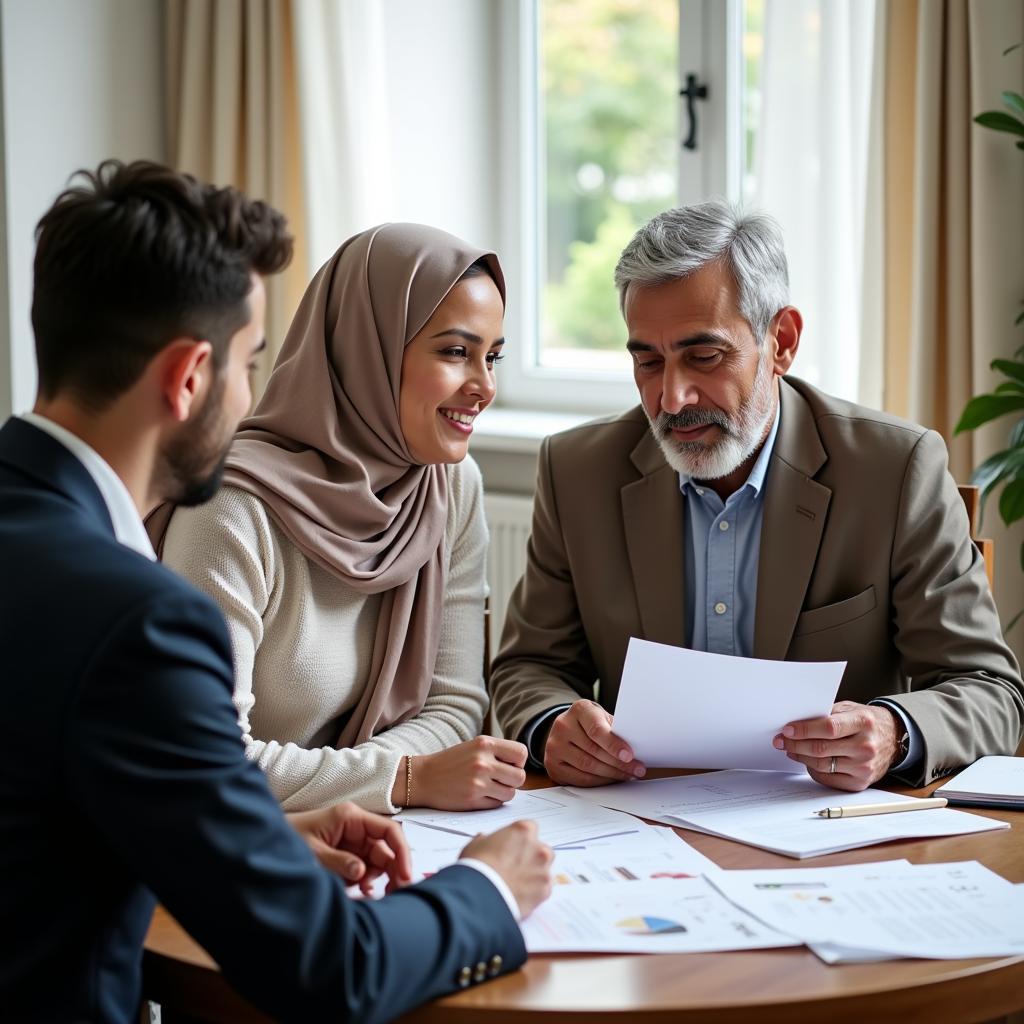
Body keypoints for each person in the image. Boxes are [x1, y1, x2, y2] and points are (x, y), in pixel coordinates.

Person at [0, 160, 552, 1024]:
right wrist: (491, 886)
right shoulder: (138, 622)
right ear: (190, 377)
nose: (262, 391)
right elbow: (334, 972)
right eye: (252, 362)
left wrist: (259, 839)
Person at [490, 199, 1024, 794]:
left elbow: (989, 691)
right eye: (648, 361)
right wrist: (550, 726)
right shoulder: (577, 471)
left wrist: (893, 731)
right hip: (634, 822)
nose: (672, 398)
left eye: (704, 356)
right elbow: (528, 667)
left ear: (782, 340)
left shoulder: (895, 470)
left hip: (825, 831)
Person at [157, 223, 528, 815]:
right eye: (456, 352)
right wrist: (406, 778)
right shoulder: (231, 507)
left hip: (379, 836)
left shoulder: (450, 487)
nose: (483, 386)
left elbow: (456, 708)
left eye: (493, 356)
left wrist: (399, 779)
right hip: (234, 842)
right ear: (367, 349)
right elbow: (205, 758)